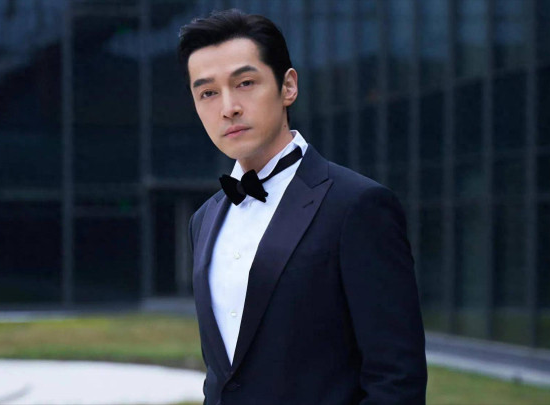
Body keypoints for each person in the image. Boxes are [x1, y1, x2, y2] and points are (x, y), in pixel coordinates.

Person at [178, 9, 427, 405]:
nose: (228, 107)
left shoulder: (357, 206)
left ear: (288, 86)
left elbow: (396, 380)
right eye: (208, 92)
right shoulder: (204, 219)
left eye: (245, 83)